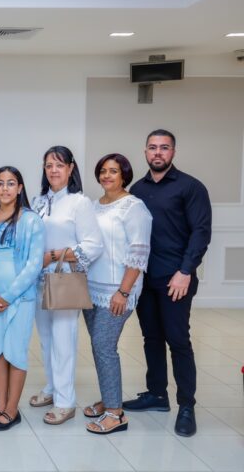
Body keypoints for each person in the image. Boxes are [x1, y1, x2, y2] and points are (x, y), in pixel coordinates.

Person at [124, 129, 211, 438]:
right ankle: (156, 395)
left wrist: (186, 271)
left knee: (178, 340)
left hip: (175, 278)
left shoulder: (190, 187)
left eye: (164, 148)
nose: (157, 153)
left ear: (173, 152)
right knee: (150, 337)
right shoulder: (136, 189)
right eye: (152, 147)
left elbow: (201, 232)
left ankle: (186, 405)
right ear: (145, 151)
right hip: (144, 278)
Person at [30, 146, 103, 425]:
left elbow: (93, 245)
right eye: (48, 165)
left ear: (71, 169)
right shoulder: (39, 202)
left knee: (63, 340)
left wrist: (53, 256)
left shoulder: (79, 202)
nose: (53, 170)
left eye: (59, 165)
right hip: (37, 280)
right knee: (46, 340)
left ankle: (65, 401)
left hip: (63, 279)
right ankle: (51, 388)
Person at [83, 153, 152, 434]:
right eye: (102, 171)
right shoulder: (93, 205)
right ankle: (108, 397)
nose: (107, 176)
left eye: (113, 171)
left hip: (117, 290)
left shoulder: (134, 207)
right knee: (99, 347)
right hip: (90, 288)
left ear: (124, 174)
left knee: (103, 346)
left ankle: (116, 413)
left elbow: (139, 252)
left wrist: (123, 292)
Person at [0, 166, 45, 431]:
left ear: (20, 188)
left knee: (15, 353)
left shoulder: (31, 220)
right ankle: (0, 405)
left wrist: (8, 295)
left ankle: (12, 410)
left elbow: (34, 264)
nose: (5, 188)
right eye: (0, 183)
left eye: (11, 183)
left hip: (19, 299)